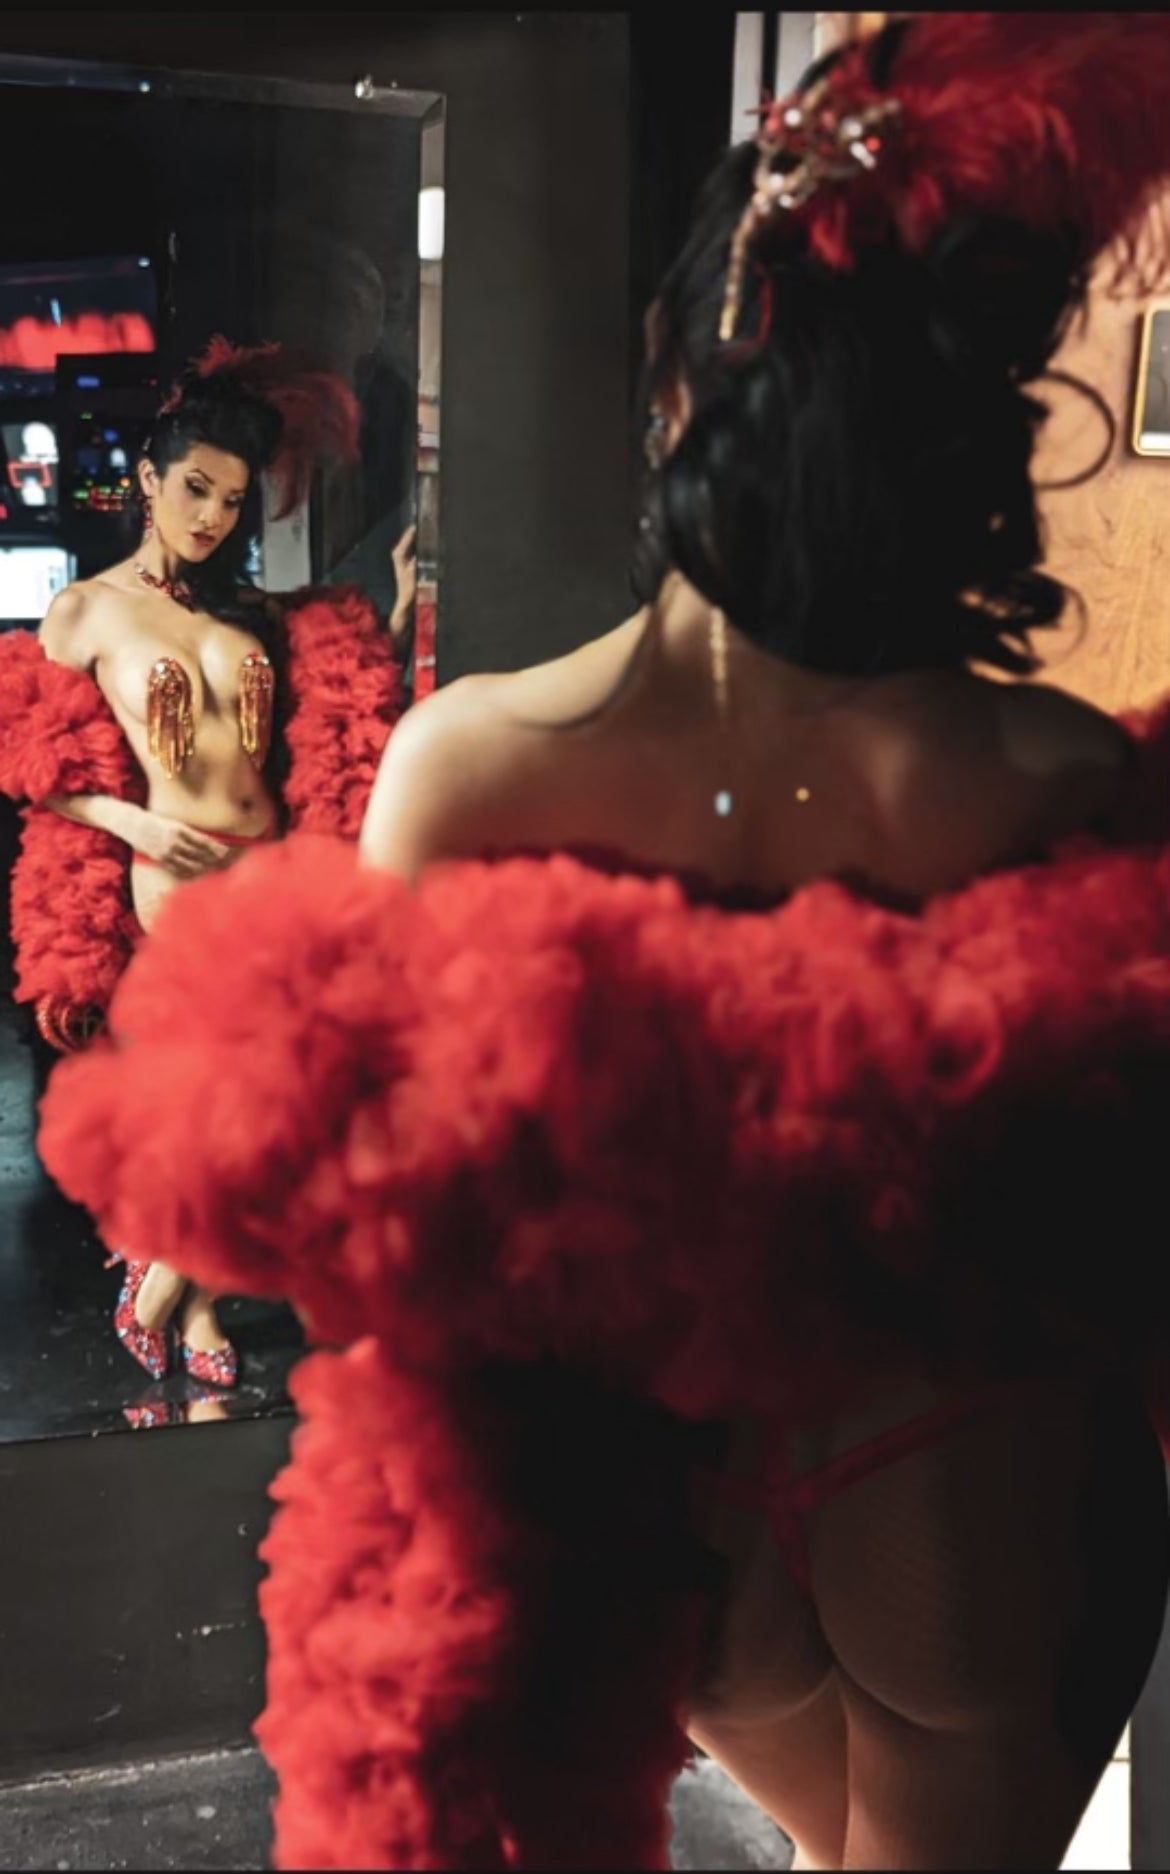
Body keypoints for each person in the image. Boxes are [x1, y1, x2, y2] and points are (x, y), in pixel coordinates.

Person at [34, 14, 1170, 1869]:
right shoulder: (1037, 768)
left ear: (670, 400)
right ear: (972, 440)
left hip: (668, 1484)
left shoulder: (474, 758)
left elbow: (368, 1193)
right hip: (968, 1467)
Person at [0, 337, 410, 1389]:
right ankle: (189, 1291)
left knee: (274, 1091)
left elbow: (335, 687)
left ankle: (174, 1287)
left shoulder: (242, 607)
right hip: (172, 869)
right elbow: (30, 761)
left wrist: (400, 605)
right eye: (194, 488)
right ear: (148, 479)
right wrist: (129, 826)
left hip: (268, 861)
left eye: (231, 499)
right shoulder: (85, 609)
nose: (211, 516)